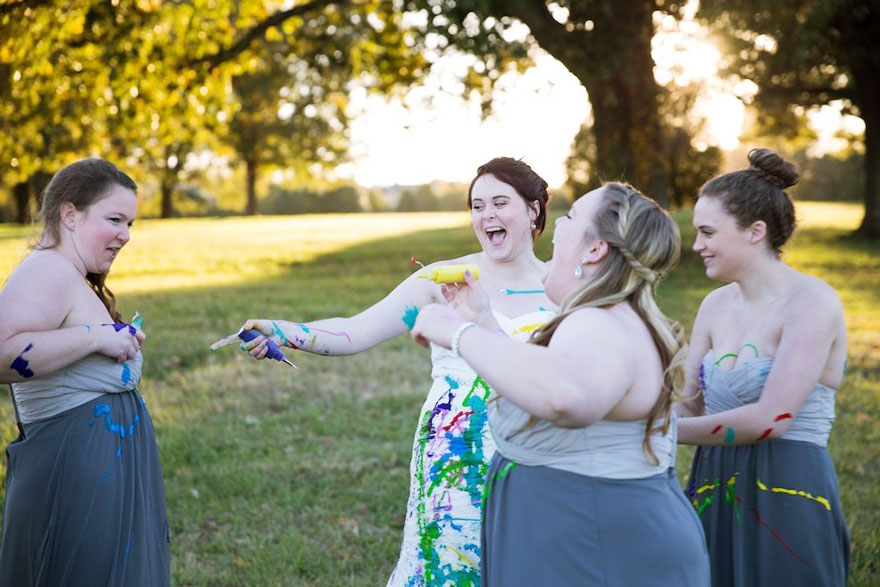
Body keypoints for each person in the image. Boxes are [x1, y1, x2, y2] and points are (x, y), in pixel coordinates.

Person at [211, 157, 557, 585]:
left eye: (500, 203)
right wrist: (283, 331)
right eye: (477, 205)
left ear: (533, 210)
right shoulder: (442, 279)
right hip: (452, 464)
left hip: (535, 460)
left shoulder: (562, 289)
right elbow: (355, 331)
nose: (486, 216)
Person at [410, 182, 710, 585]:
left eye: (570, 218)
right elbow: (551, 374)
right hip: (581, 535)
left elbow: (566, 396)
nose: (558, 226)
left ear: (594, 249)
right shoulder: (606, 316)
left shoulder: (597, 320)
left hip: (592, 545)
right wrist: (481, 323)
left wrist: (460, 335)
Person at [677, 148, 850, 586]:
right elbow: (686, 407)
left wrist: (658, 429)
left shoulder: (812, 302)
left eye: (707, 232)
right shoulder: (714, 306)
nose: (697, 245)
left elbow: (772, 419)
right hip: (712, 483)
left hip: (788, 491)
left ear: (755, 231)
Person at [0, 158, 170, 586]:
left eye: (130, 224)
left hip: (98, 473)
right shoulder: (48, 269)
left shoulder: (71, 275)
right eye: (114, 219)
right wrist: (95, 337)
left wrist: (113, 339)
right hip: (72, 476)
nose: (125, 236)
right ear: (70, 214)